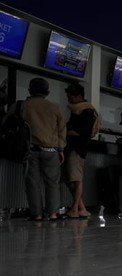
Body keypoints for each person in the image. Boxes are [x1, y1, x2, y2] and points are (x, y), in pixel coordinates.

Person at [21, 78, 66, 221]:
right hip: (51, 151)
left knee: (33, 183)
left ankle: (37, 214)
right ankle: (53, 214)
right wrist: (61, 149)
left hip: (31, 150)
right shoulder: (55, 108)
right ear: (47, 92)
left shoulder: (24, 105)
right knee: (52, 183)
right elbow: (61, 130)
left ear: (30, 90)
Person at [63, 83, 97, 220]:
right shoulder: (76, 110)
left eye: (70, 97)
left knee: (76, 179)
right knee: (69, 178)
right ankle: (81, 208)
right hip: (72, 148)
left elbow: (84, 132)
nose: (69, 100)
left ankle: (75, 209)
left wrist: (69, 132)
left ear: (78, 96)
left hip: (78, 149)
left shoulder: (87, 111)